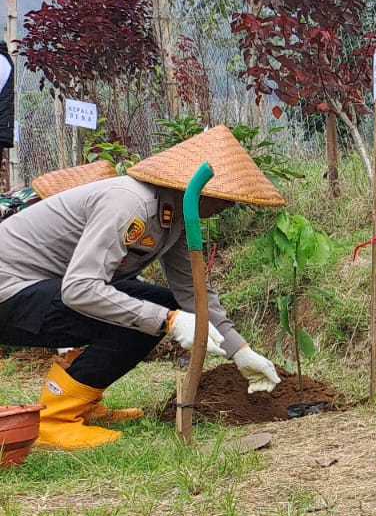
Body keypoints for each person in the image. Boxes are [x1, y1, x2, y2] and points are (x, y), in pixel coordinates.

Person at [0, 126, 285, 450]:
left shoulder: (175, 217)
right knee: (146, 316)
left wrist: (240, 350)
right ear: (200, 187)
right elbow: (80, 289)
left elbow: (191, 292)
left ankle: (80, 403)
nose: (229, 206)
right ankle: (55, 420)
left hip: (41, 291)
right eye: (226, 197)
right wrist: (168, 321)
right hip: (10, 294)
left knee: (157, 304)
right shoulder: (131, 204)